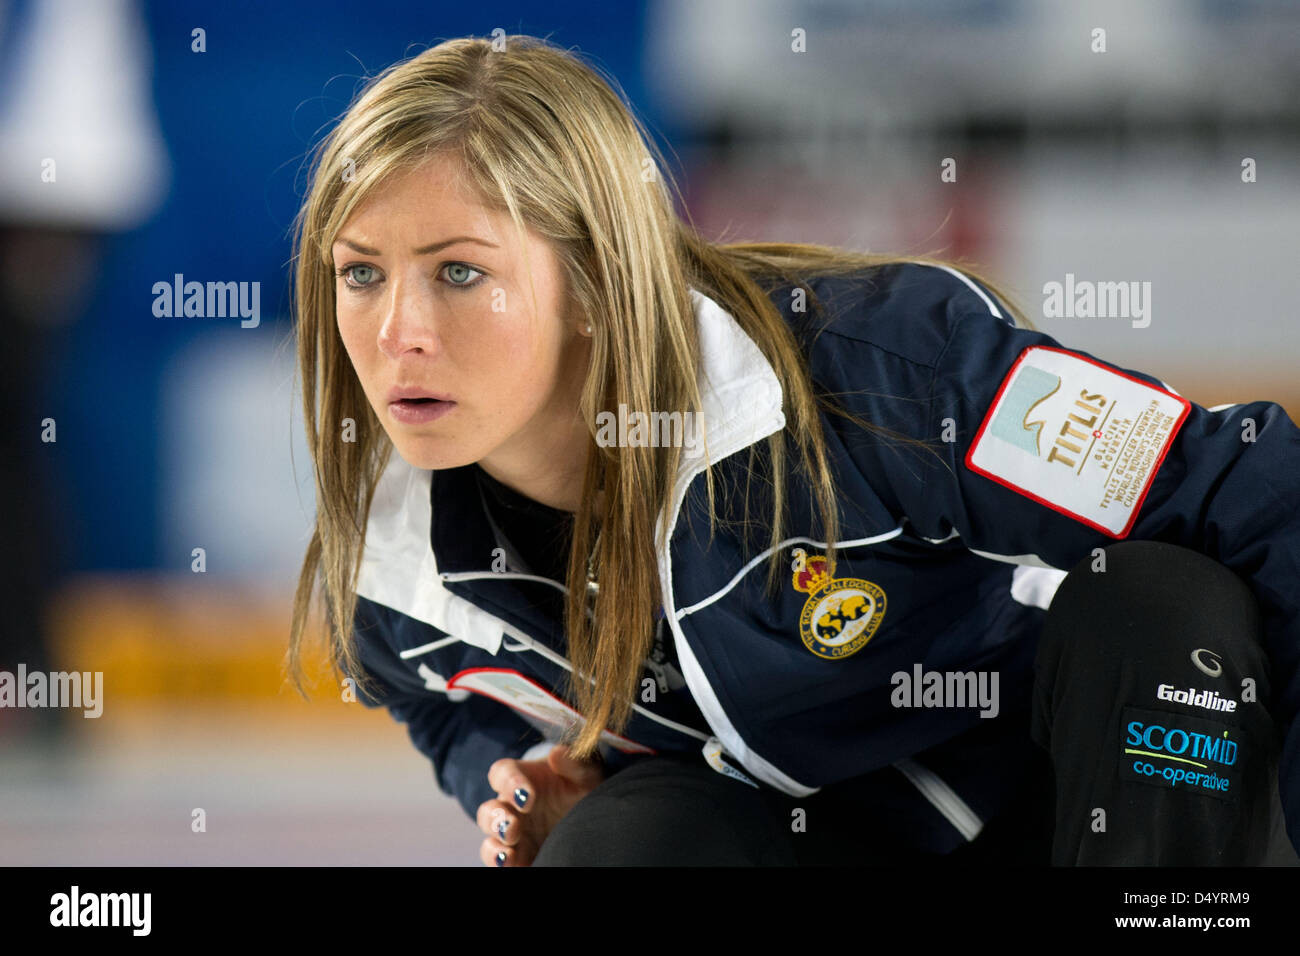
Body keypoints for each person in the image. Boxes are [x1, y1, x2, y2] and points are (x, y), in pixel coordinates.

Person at [286, 34, 1300, 867]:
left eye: (458, 273)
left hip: (1061, 803)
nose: (395, 331)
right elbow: (434, 700)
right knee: (615, 845)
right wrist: (514, 773)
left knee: (1164, 609)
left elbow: (1255, 486)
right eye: (362, 273)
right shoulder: (389, 555)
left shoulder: (891, 365)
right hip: (788, 838)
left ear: (595, 278)